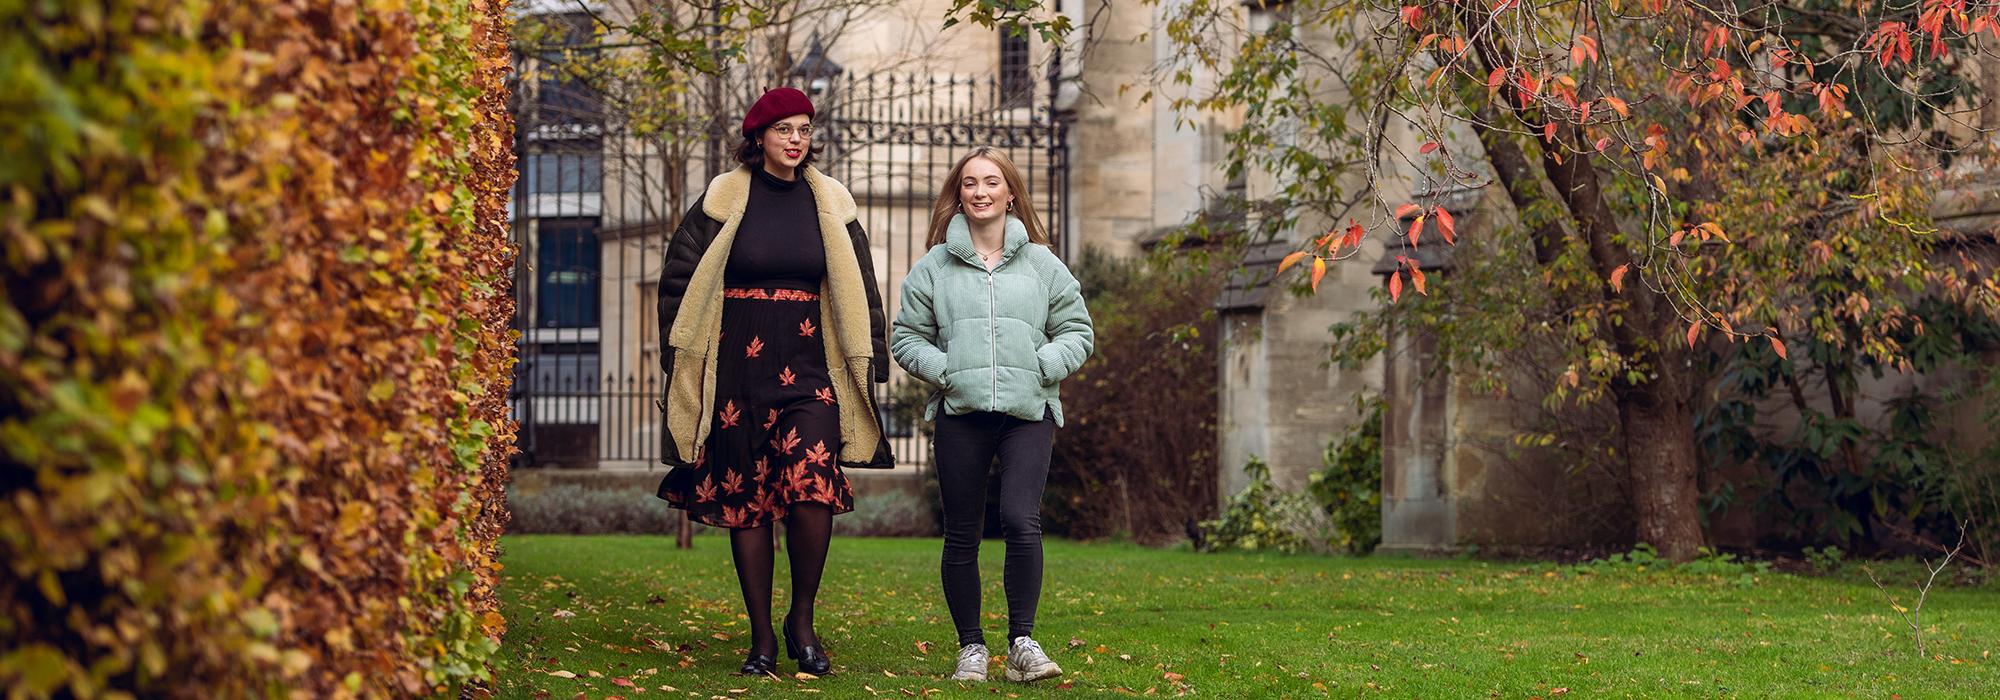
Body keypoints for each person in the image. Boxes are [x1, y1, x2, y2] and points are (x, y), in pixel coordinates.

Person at [654, 87, 893, 677]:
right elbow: (679, 279)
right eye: (784, 128)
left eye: (805, 129)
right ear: (758, 137)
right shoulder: (723, 198)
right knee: (746, 499)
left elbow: (861, 288)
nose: (795, 139)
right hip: (736, 370)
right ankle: (761, 639)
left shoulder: (832, 202)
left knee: (815, 486)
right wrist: (680, 357)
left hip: (809, 367)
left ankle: (801, 621)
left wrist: (874, 360)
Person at [890, 146, 1094, 683]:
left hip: (1029, 413)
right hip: (962, 414)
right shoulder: (934, 266)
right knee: (962, 532)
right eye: (970, 183)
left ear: (1010, 193)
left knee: (1022, 521)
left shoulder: (1043, 264)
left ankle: (1023, 643)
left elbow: (1078, 332)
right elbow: (906, 337)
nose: (981, 192)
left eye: (992, 182)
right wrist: (950, 370)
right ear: (959, 194)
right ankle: (971, 648)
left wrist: (1040, 365)